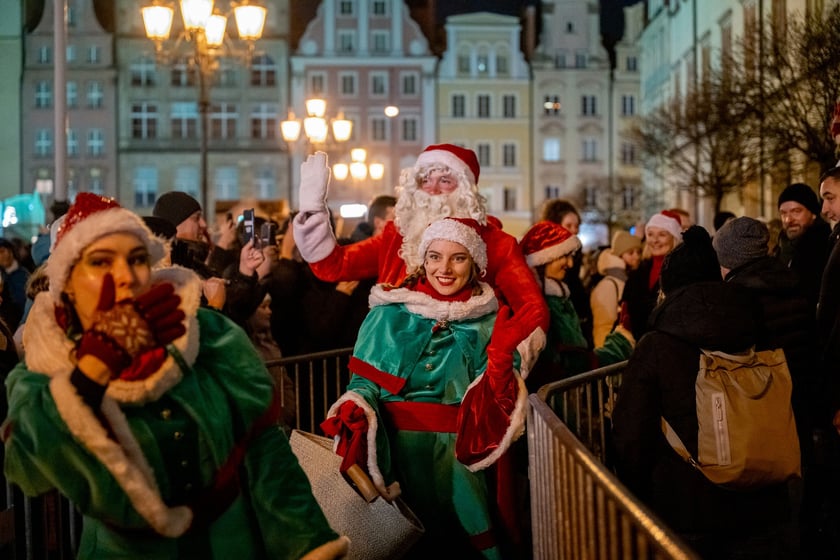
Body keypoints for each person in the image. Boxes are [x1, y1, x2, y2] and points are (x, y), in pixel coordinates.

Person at [2, 193, 348, 559]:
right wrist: (89, 375)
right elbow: (27, 468)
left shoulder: (208, 333)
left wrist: (306, 541)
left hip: (229, 542)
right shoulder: (52, 354)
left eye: (132, 258)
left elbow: (264, 449)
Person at [320, 217, 527, 559]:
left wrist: (502, 359)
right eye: (434, 257)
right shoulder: (387, 315)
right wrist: (356, 403)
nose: (444, 268)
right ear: (422, 260)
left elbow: (497, 404)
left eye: (457, 258)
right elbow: (363, 384)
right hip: (396, 453)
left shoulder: (489, 321)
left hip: (458, 459)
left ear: (474, 263)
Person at [612, 225, 793, 559]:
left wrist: (636, 492)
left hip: (688, 505)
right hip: (764, 498)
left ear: (668, 287)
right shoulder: (756, 324)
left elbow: (631, 435)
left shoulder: (658, 344)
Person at [293, 145, 548, 375]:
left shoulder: (496, 243)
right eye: (425, 179)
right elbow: (333, 266)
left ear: (466, 190)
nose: (433, 189)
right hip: (393, 367)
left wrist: (508, 362)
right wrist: (314, 211)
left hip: (463, 374)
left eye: (445, 180)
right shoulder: (397, 236)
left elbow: (532, 310)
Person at [713, 216, 825, 557]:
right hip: (799, 395)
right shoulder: (791, 281)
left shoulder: (738, 296)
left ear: (730, 258)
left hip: (761, 405)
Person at [519, 221, 634, 390]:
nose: (570, 264)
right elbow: (572, 365)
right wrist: (619, 343)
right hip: (553, 405)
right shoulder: (540, 305)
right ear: (543, 259)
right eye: (563, 256)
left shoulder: (557, 298)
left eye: (571, 256)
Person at [152, 191, 264, 318]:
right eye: (196, 218)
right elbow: (200, 327)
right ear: (175, 224)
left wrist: (246, 271)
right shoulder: (170, 272)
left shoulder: (195, 263)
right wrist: (215, 305)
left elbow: (234, 310)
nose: (203, 224)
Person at [620, 210, 683, 340]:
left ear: (674, 237)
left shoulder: (681, 271)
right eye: (650, 234)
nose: (655, 240)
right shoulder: (638, 272)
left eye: (662, 234)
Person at [538, 199, 593, 344]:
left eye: (577, 226)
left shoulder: (577, 250)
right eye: (569, 225)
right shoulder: (544, 256)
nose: (574, 230)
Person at [774, 182, 831, 310]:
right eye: (783, 213)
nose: (788, 220)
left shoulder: (825, 246)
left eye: (796, 211)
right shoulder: (780, 248)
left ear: (813, 213)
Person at [589, 230, 642, 347]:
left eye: (638, 252)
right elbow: (602, 327)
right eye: (630, 253)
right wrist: (606, 355)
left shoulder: (627, 279)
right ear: (619, 255)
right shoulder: (608, 284)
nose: (636, 257)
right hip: (611, 349)